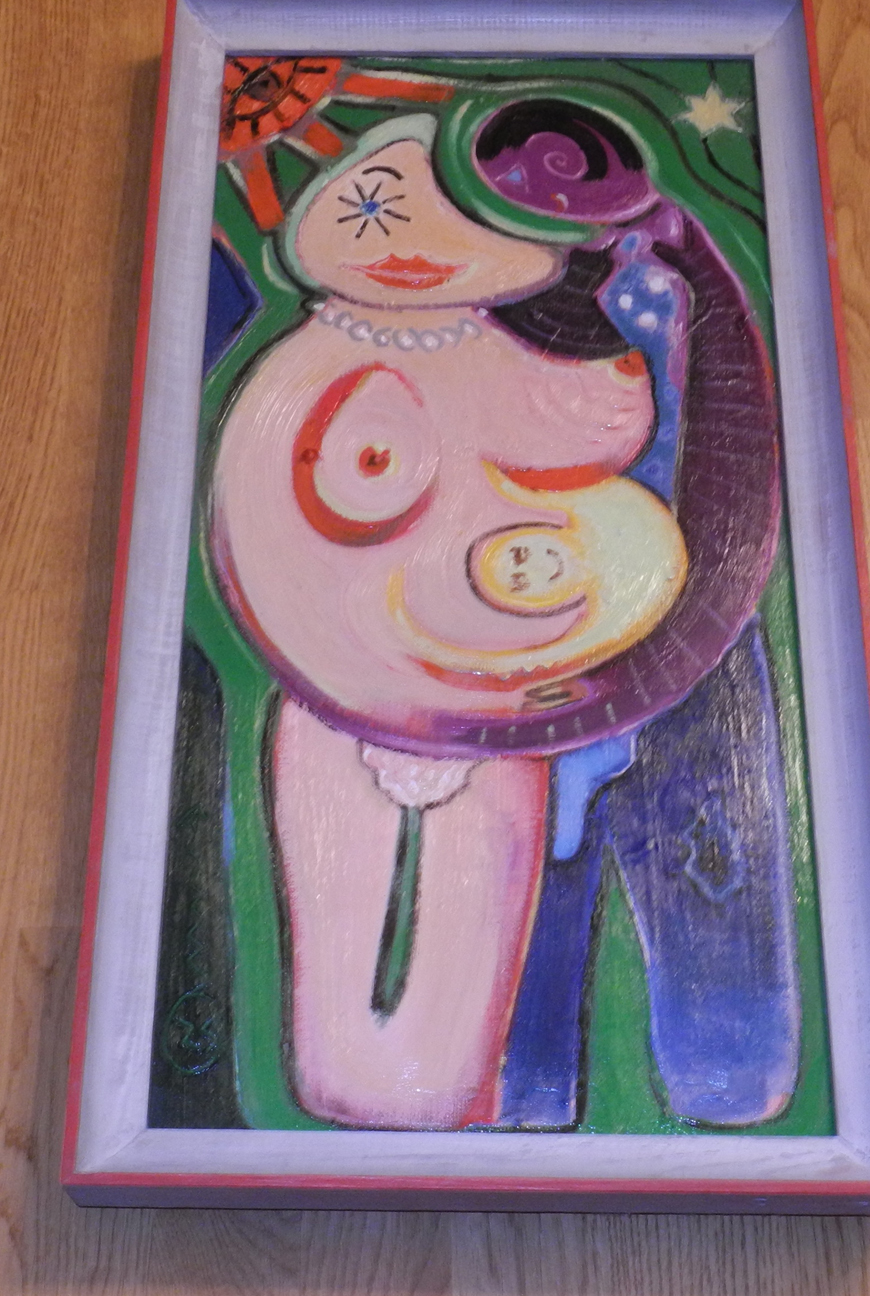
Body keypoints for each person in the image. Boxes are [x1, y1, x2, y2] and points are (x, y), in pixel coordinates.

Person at [211, 96, 799, 1130]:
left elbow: (610, 428)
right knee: (341, 1011)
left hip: (509, 703)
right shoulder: (305, 363)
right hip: (345, 699)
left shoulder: (539, 351)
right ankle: (376, 1098)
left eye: (448, 207)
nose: (405, 239)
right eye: (375, 200)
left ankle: (519, 1103)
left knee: (468, 1017)